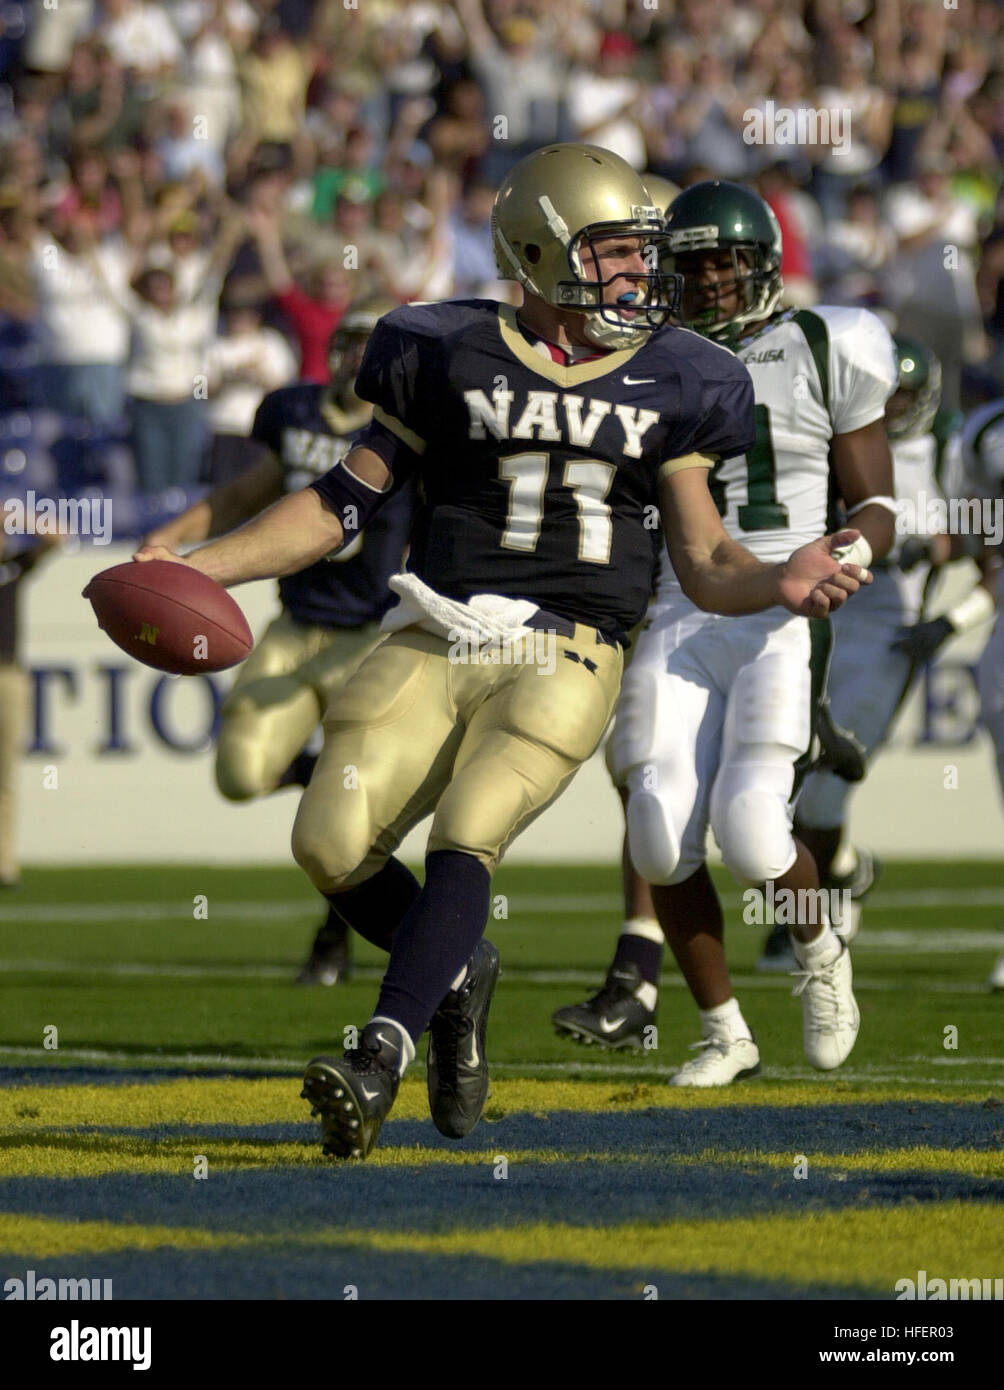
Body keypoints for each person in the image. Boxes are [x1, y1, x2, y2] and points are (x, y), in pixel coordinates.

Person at [134, 145, 872, 1158]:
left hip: (568, 645)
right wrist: (202, 568)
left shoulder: (682, 376)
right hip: (434, 624)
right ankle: (454, 971)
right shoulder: (438, 348)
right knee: (328, 843)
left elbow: (702, 558)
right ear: (538, 253)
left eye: (639, 253)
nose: (637, 276)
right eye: (613, 253)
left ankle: (378, 1050)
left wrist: (777, 580)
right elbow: (337, 504)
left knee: (467, 828)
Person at [553, 180, 897, 1086]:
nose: (706, 281)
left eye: (722, 262)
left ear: (761, 263)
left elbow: (877, 503)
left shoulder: (830, 340)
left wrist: (844, 553)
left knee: (750, 831)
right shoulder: (641, 355)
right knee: (661, 835)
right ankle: (723, 1032)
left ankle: (821, 953)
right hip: (678, 600)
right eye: (691, 264)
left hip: (784, 598)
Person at [144, 297, 409, 986]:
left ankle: (332, 942)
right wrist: (171, 541)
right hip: (295, 626)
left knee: (355, 817)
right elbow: (246, 494)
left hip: (369, 636)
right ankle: (319, 776)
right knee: (240, 774)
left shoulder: (407, 428)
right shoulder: (291, 412)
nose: (357, 355)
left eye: (369, 343)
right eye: (349, 340)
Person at [775, 337, 963, 966]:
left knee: (828, 789)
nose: (893, 411)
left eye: (903, 398)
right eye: (886, 399)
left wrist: (932, 548)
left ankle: (818, 905)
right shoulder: (845, 448)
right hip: (827, 624)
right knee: (789, 782)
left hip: (891, 634)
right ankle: (843, 876)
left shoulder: (946, 450)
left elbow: (974, 533)